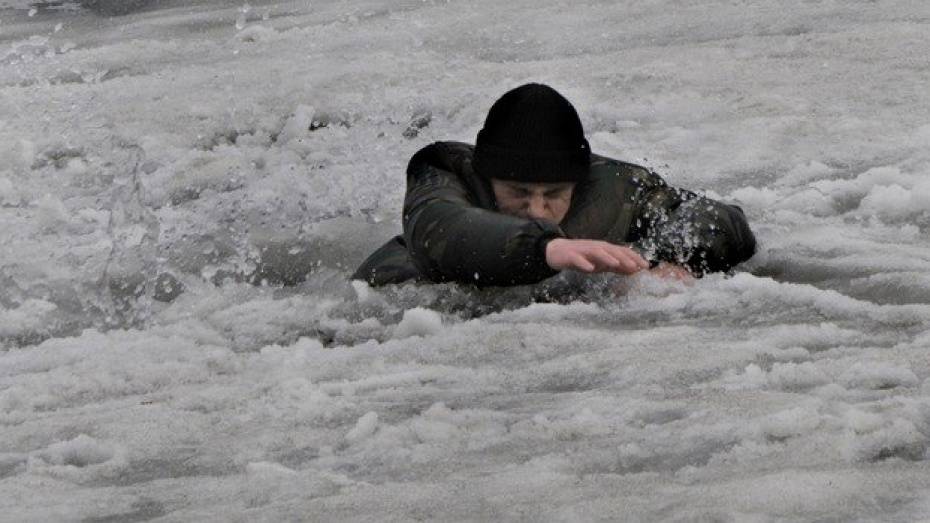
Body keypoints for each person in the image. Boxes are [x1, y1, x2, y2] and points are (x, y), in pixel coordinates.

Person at [352, 83, 756, 287]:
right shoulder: (445, 171)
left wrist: (661, 262)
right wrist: (546, 248)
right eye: (518, 193)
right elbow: (439, 225)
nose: (536, 210)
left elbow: (720, 219)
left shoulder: (619, 188)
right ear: (486, 178)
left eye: (553, 195)